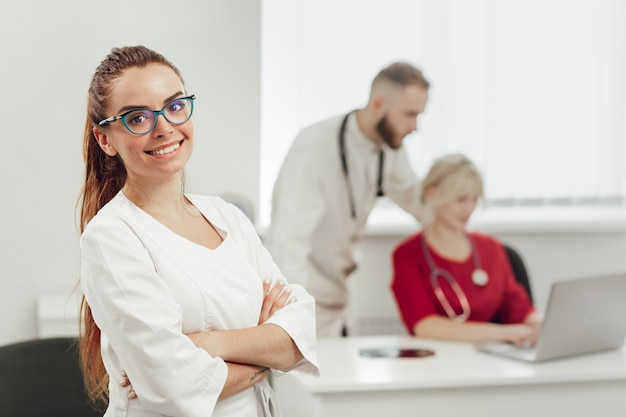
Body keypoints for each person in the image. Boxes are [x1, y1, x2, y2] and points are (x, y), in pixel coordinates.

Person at [77, 45, 318, 417]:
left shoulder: (226, 216)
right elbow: (173, 386)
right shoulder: (110, 237)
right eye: (137, 118)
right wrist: (266, 354)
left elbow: (299, 329)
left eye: (174, 107)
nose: (164, 128)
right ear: (105, 139)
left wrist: (208, 343)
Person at [268, 62, 430, 337]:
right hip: (306, 298)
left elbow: (417, 200)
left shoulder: (389, 147)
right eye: (409, 114)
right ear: (378, 103)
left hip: (343, 295)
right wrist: (293, 316)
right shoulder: (314, 146)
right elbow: (288, 241)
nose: (415, 127)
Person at [391, 153, 542, 346]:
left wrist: (542, 324)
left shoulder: (492, 249)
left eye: (474, 199)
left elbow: (521, 310)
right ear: (432, 193)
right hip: (438, 362)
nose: (469, 208)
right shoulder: (407, 255)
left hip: (490, 361)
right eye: (461, 200)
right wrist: (502, 333)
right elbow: (425, 326)